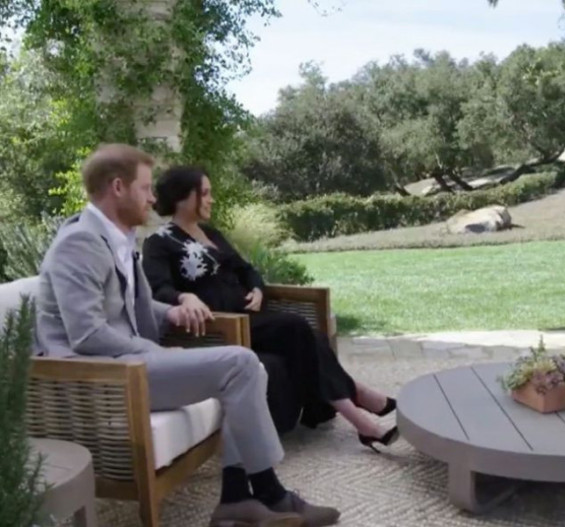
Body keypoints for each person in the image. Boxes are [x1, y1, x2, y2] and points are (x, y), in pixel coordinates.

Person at [33, 144, 341, 527]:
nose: (153, 198)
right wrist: (157, 352)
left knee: (251, 369)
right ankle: (272, 495)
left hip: (127, 366)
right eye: (146, 188)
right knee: (241, 363)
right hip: (101, 379)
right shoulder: (79, 244)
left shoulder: (116, 239)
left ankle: (236, 498)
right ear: (118, 187)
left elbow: (128, 305)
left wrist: (172, 310)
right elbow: (87, 334)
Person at [141, 165, 399, 452]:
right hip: (222, 326)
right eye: (205, 193)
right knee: (296, 327)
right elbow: (158, 289)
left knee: (311, 338)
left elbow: (246, 269)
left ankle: (360, 405)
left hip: (251, 317)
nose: (211, 199)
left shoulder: (210, 233)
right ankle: (361, 412)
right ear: (183, 197)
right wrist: (183, 297)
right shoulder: (160, 242)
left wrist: (258, 289)